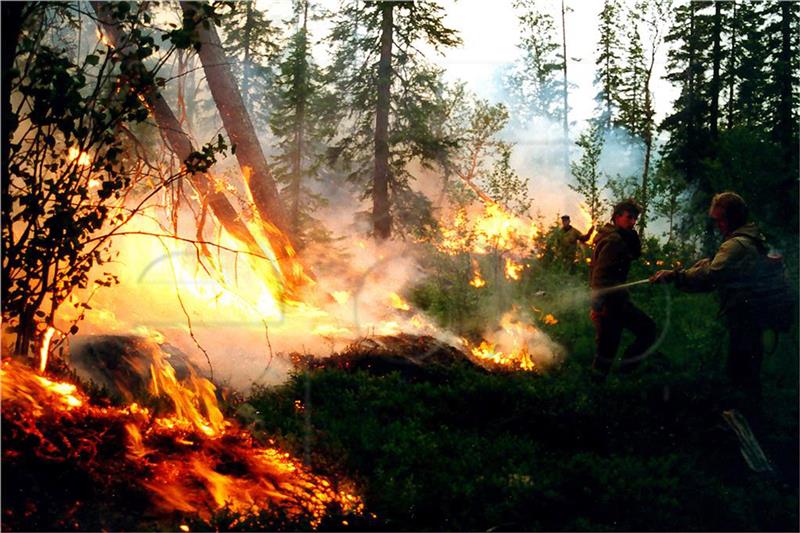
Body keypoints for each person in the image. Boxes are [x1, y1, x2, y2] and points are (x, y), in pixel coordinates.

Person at [651, 192, 767, 413]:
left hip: (744, 317)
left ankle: (742, 421)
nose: (717, 225)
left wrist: (676, 276)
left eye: (719, 219)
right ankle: (748, 415)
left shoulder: (736, 245)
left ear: (731, 218)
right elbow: (714, 265)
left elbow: (712, 274)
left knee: (739, 370)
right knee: (747, 368)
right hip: (749, 315)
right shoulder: (749, 238)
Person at [590, 200, 656, 381]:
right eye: (629, 217)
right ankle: (602, 387)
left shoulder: (621, 237)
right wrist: (598, 305)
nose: (633, 221)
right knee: (608, 348)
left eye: (635, 218)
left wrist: (632, 236)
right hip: (608, 303)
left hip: (617, 300)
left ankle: (618, 377)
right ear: (617, 216)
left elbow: (634, 254)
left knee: (612, 346)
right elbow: (599, 275)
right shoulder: (613, 241)